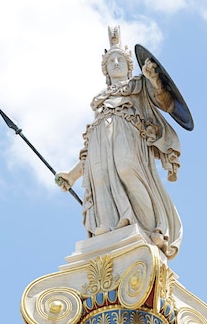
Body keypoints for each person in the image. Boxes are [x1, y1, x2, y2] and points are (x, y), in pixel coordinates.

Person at [55, 26, 183, 259]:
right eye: (110, 61)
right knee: (100, 176)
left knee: (127, 170)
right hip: (100, 139)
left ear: (128, 65)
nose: (115, 63)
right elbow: (87, 151)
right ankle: (107, 224)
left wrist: (154, 80)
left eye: (119, 60)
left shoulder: (138, 85)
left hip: (127, 132)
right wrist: (72, 175)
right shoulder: (100, 101)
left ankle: (152, 227)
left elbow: (165, 103)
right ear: (105, 70)